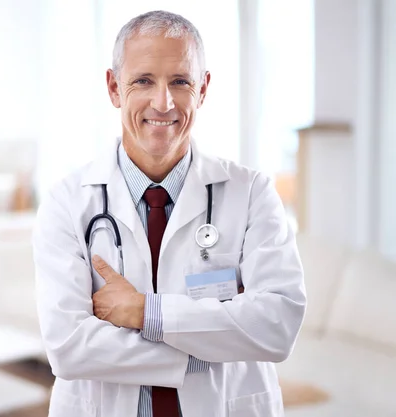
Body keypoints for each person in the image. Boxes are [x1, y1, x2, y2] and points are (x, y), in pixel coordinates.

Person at [32, 10, 306, 417]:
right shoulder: (67, 203)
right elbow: (69, 348)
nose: (163, 102)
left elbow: (277, 326)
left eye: (180, 81)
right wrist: (204, 350)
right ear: (114, 88)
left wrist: (147, 312)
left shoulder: (250, 193)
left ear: (203, 88)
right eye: (143, 81)